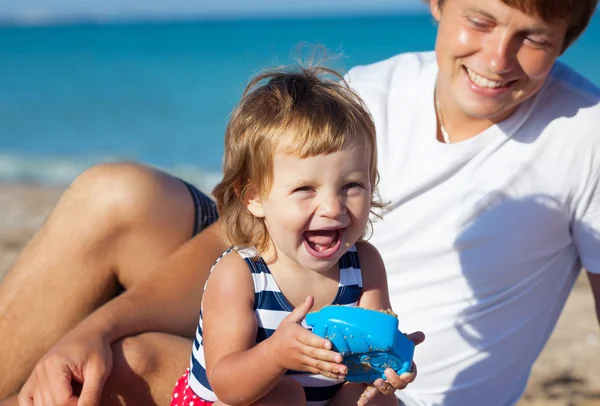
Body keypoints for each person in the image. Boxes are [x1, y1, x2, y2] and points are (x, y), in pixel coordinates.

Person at [1, 0, 599, 404]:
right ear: (439, 3)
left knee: (131, 364)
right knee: (115, 195)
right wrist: (91, 330)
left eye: (534, 38)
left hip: (361, 388)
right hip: (265, 309)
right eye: (480, 19)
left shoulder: (586, 134)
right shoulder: (373, 91)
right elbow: (231, 241)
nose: (497, 58)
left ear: (569, 40)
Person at [169, 65, 408, 406]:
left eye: (351, 185)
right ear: (254, 198)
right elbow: (227, 385)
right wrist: (275, 355)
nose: (332, 206)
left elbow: (371, 355)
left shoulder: (364, 264)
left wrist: (391, 364)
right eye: (305, 188)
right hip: (235, 399)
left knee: (380, 400)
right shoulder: (240, 274)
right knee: (284, 395)